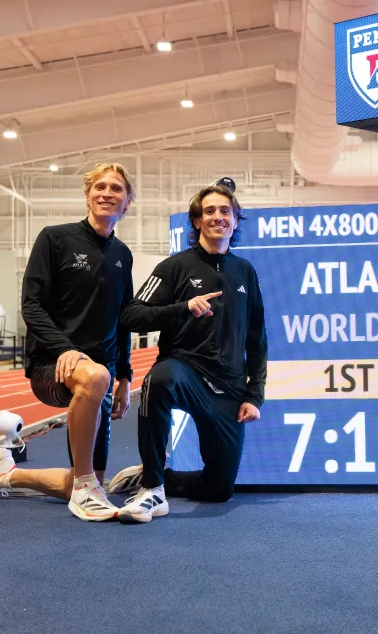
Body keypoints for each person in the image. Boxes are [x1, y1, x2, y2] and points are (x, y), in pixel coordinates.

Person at [0, 163, 137, 522]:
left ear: (127, 202)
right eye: (100, 186)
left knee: (89, 476)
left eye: (116, 188)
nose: (107, 193)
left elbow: (124, 318)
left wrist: (126, 377)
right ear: (87, 195)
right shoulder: (55, 239)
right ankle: (86, 491)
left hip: (97, 375)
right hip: (52, 364)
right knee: (96, 377)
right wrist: (65, 348)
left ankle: (5, 473)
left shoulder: (122, 255)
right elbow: (31, 306)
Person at [107, 180, 265, 523]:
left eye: (225, 211)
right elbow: (131, 315)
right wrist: (182, 307)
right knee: (159, 380)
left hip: (229, 388)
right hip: (185, 371)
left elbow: (257, 337)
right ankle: (152, 489)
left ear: (235, 221)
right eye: (209, 211)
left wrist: (255, 395)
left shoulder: (245, 272)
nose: (218, 217)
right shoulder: (174, 267)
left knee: (219, 490)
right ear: (196, 221)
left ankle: (162, 477)